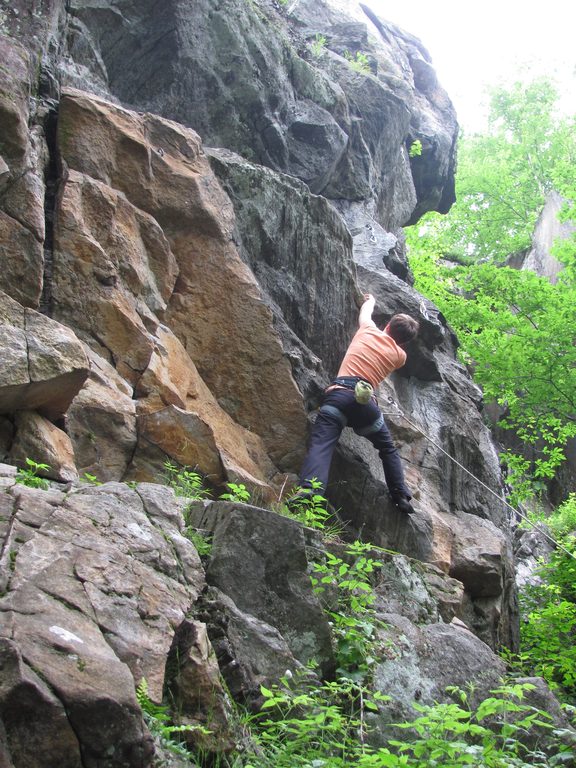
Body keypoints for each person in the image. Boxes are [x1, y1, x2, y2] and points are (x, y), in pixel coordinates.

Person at [293, 293, 419, 514]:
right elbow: (391, 338)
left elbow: (366, 311)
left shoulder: (368, 330)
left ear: (387, 325)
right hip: (366, 407)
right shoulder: (400, 356)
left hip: (340, 395)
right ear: (405, 342)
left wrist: (370, 299)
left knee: (323, 443)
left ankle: (309, 490)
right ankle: (400, 495)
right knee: (388, 448)